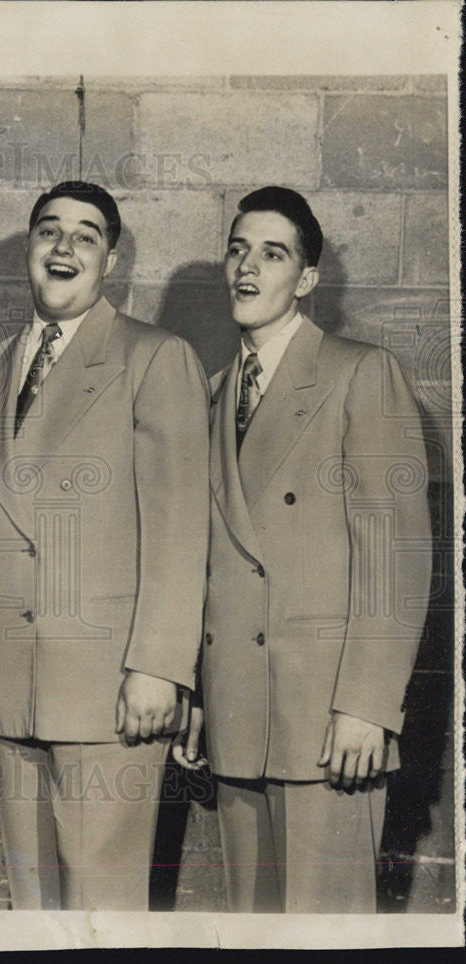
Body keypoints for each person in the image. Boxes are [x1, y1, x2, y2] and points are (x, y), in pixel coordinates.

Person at [176, 186, 432, 913]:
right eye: (236, 249)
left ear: (308, 279)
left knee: (327, 929)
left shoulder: (360, 372)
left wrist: (368, 705)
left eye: (272, 252)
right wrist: (196, 688)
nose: (246, 267)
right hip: (236, 713)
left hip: (326, 721)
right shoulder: (217, 389)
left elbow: (397, 557)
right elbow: (208, 565)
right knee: (253, 925)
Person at [0, 181, 210, 910]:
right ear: (29, 253)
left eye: (85, 234)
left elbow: (180, 524)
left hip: (110, 687)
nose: (63, 246)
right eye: (48, 231)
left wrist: (160, 668)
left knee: (105, 904)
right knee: (32, 901)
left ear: (111, 260)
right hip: (12, 688)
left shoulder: (154, 357)